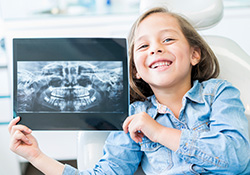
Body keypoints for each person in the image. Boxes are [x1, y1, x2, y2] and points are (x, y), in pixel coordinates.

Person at [8, 7, 250, 174]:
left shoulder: (219, 94)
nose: (155, 49)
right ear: (135, 69)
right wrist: (36, 156)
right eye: (144, 45)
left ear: (194, 54)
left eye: (168, 40)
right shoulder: (134, 117)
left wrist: (157, 132)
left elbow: (236, 159)